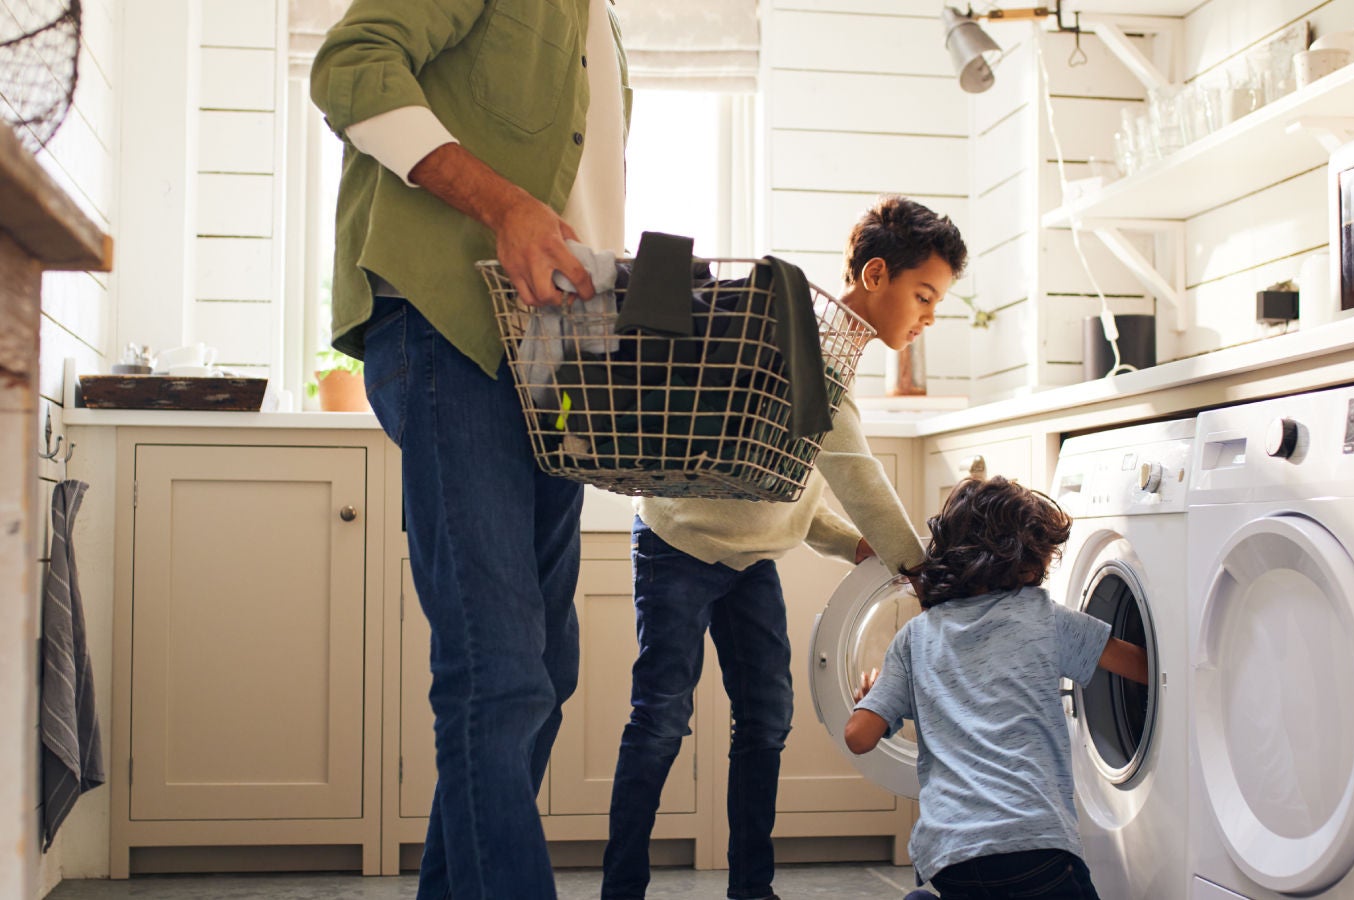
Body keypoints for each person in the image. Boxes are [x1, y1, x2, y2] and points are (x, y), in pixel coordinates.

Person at [310, 2, 628, 897]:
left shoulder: (603, 27)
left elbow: (580, 195)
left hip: (560, 354)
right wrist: (504, 205)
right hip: (451, 321)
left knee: (542, 669)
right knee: (499, 667)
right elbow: (351, 63)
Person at [600, 196, 969, 900]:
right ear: (876, 274)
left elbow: (787, 479)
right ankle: (621, 890)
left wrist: (846, 542)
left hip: (750, 559)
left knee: (766, 719)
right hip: (680, 542)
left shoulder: (832, 355)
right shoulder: (811, 345)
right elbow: (853, 470)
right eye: (923, 295)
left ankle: (752, 889)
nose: (928, 316)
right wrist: (921, 570)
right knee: (661, 717)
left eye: (938, 302)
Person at [847, 476, 1150, 900]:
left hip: (949, 857)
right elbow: (1143, 667)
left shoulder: (915, 637)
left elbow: (859, 737)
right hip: (1036, 849)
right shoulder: (1043, 616)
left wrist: (873, 703)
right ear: (1027, 563)